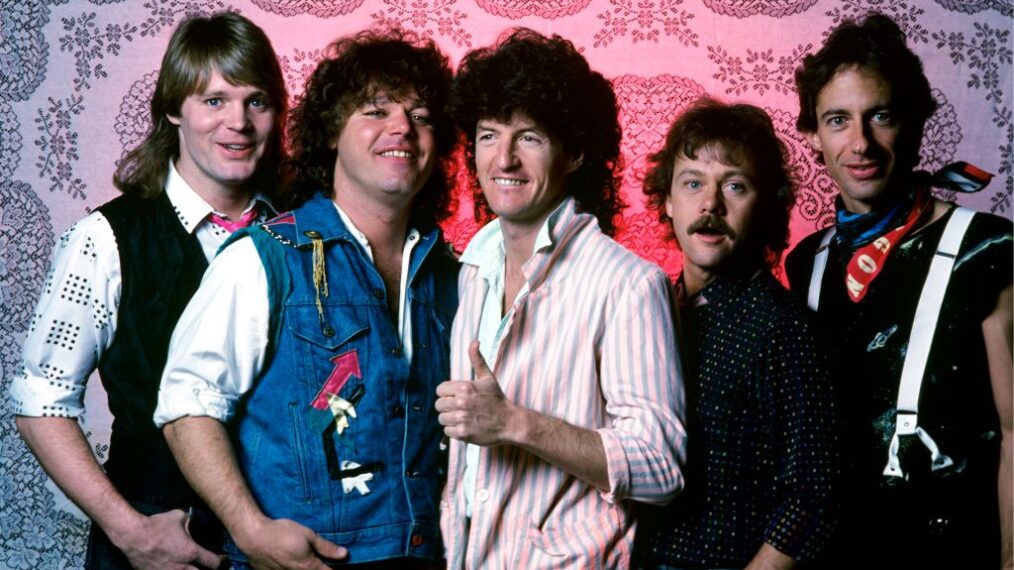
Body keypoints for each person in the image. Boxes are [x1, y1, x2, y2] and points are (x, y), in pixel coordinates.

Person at [155, 29, 459, 569]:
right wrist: (250, 530)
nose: (402, 130)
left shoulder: (450, 274)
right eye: (375, 111)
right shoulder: (266, 258)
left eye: (421, 116)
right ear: (331, 134)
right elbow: (187, 405)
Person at [10, 12, 286, 569]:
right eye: (213, 101)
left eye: (256, 101)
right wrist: (129, 531)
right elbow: (40, 401)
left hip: (277, 538)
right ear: (171, 109)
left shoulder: (299, 232)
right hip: (155, 542)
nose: (238, 122)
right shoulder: (107, 238)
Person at [435, 28, 686, 569]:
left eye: (529, 137)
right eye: (487, 134)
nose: (504, 158)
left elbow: (661, 466)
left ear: (573, 151)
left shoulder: (627, 284)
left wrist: (515, 424)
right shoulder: (470, 270)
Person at [785, 13, 1013, 569]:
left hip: (952, 547)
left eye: (880, 116)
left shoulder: (986, 250)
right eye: (838, 120)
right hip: (832, 551)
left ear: (912, 124)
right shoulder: (805, 263)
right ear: (813, 135)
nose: (860, 143)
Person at [634, 98, 840, 569]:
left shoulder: (784, 329)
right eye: (692, 184)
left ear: (765, 204)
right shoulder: (643, 309)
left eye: (735, 185)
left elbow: (813, 497)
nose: (710, 204)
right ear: (667, 199)